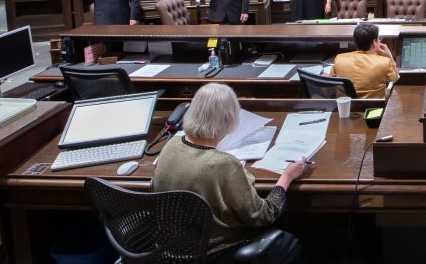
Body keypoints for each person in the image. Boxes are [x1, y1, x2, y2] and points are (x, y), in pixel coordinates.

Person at [152, 84, 305, 260]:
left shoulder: (171, 145)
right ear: (229, 119)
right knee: (289, 238)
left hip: (172, 248)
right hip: (216, 252)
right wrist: (286, 177)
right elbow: (264, 215)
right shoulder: (225, 165)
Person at [331, 22, 399, 98]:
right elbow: (395, 79)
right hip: (375, 108)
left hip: (345, 108)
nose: (380, 41)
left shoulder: (339, 59)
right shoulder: (384, 62)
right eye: (379, 39)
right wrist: (389, 55)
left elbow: (331, 82)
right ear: (374, 42)